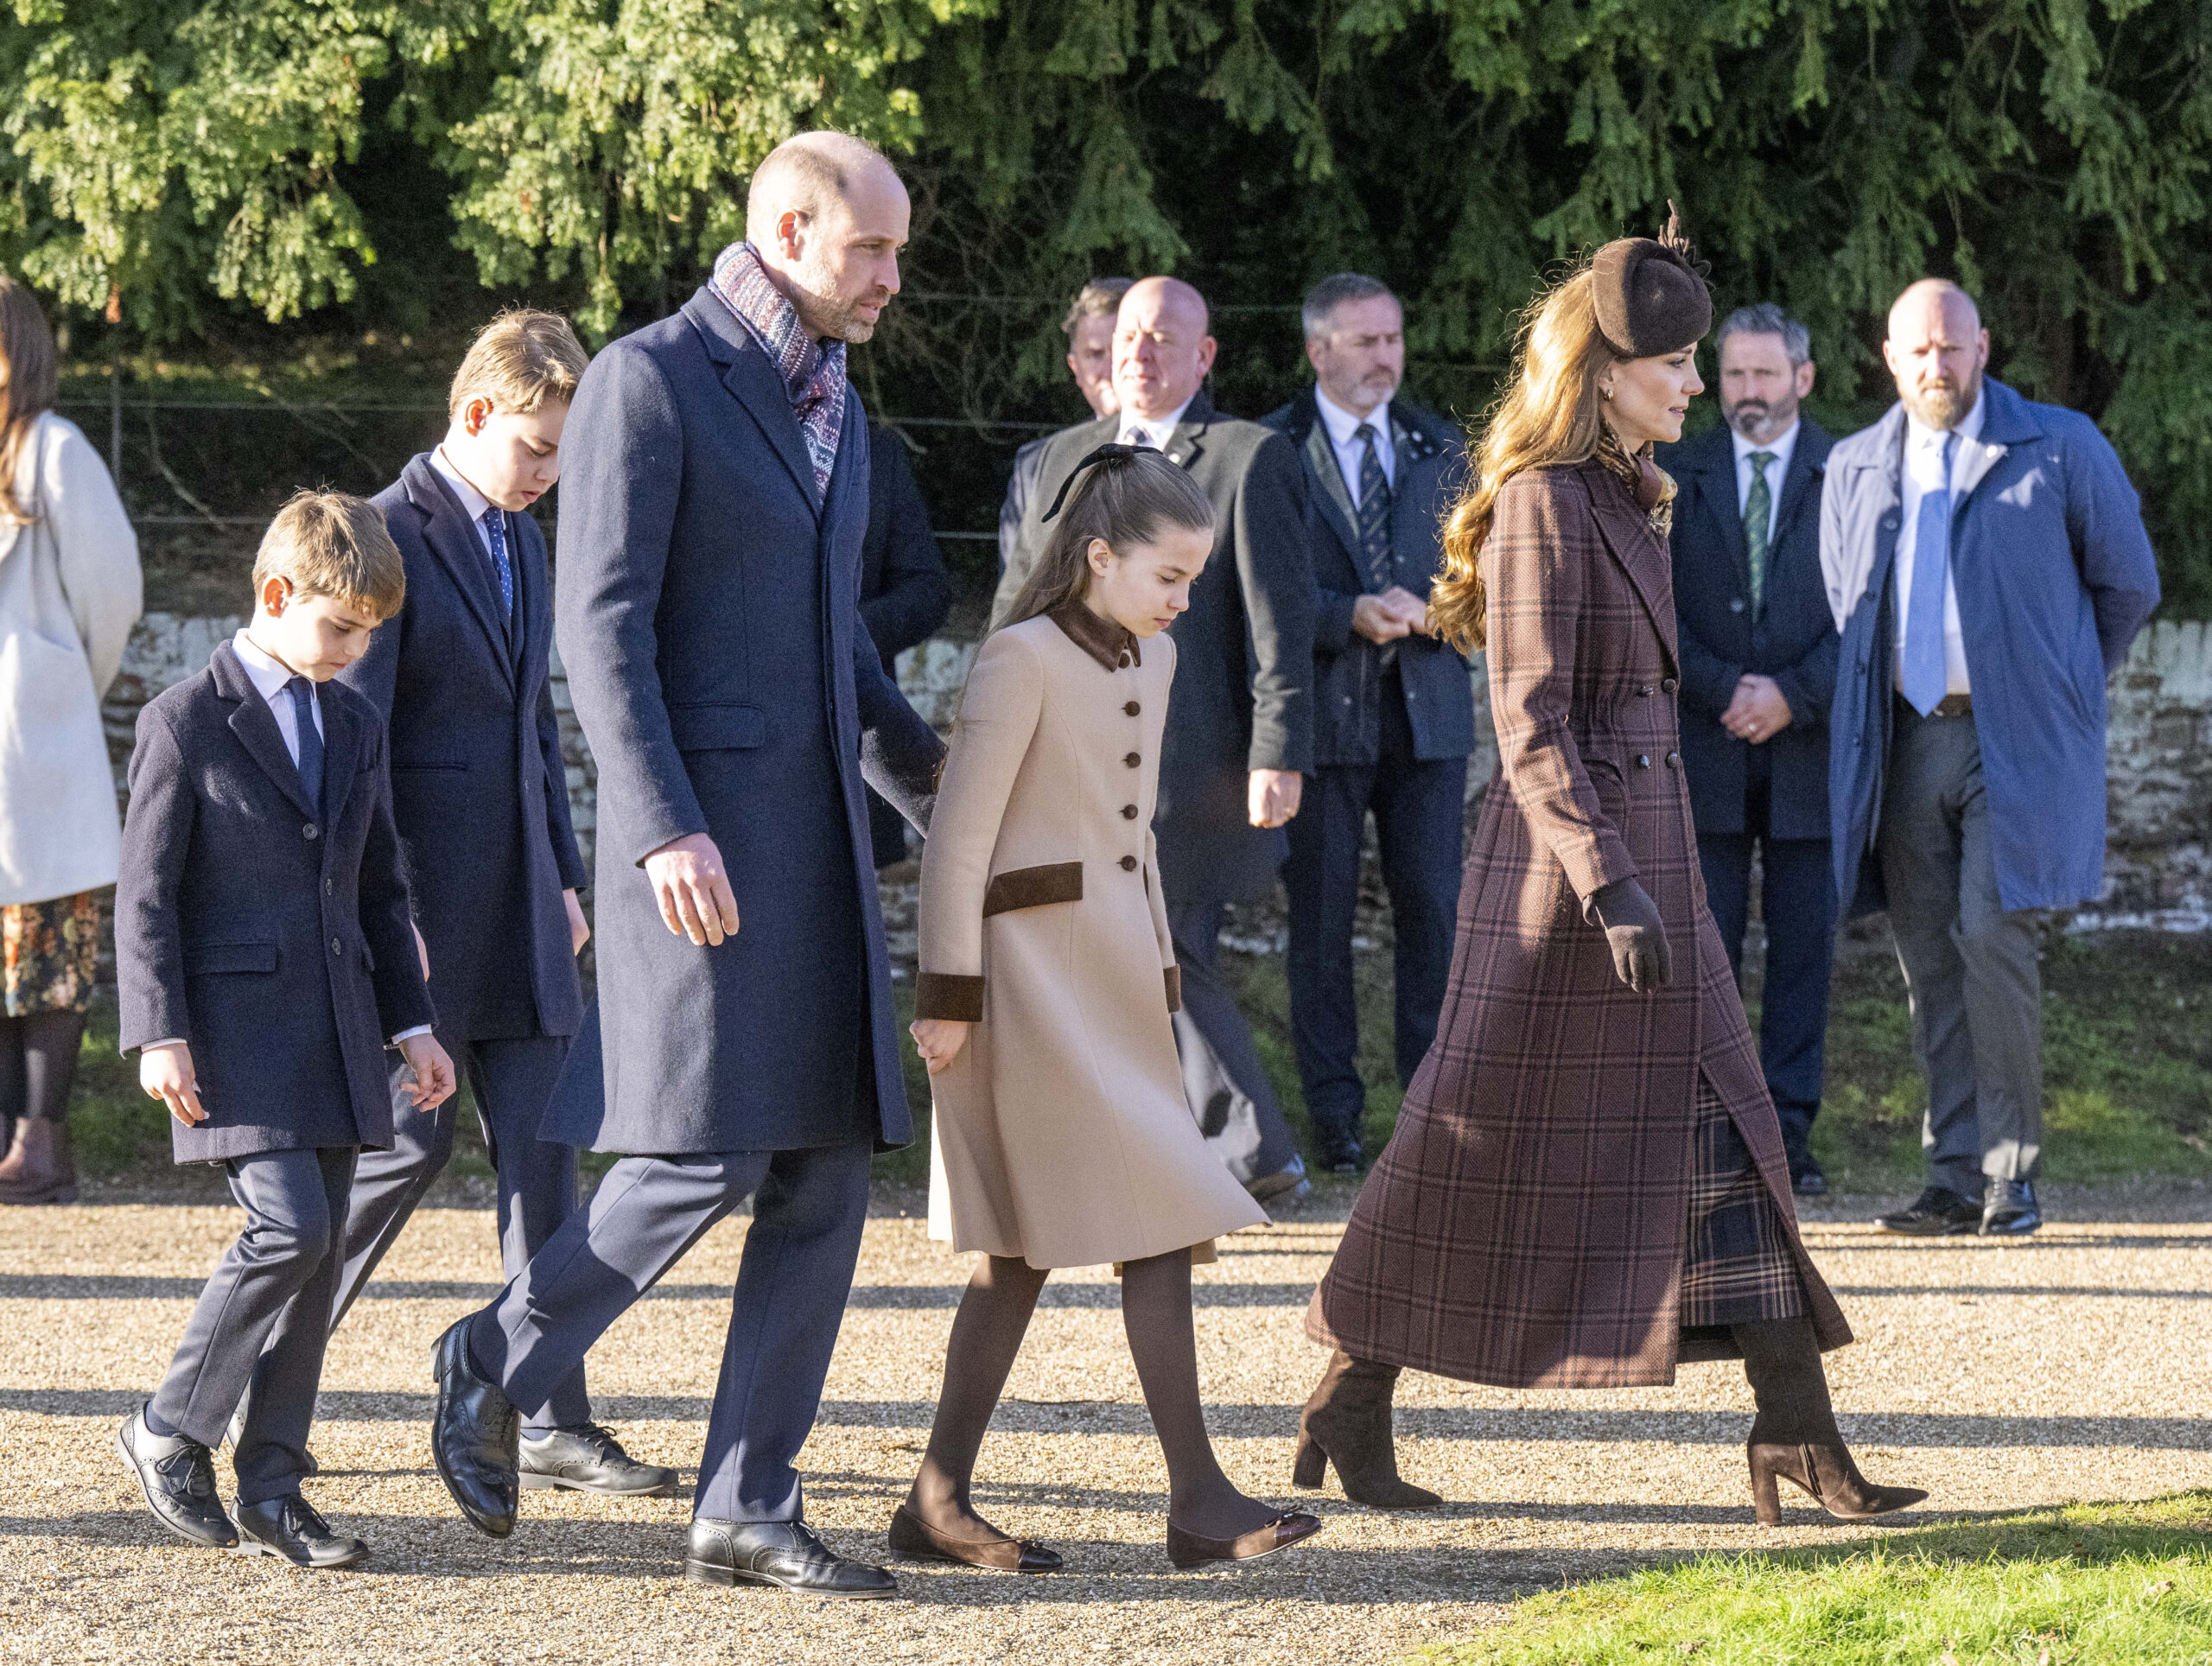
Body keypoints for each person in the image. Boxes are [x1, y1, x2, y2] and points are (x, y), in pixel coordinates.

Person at [1300, 211, 1925, 1532]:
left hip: (1650, 875)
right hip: (1564, 889)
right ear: (1602, 372)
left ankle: (1799, 1435)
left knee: (1739, 1142)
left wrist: (1646, 882)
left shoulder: (1635, 496)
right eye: (1675, 364)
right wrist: (1609, 882)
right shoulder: (1540, 503)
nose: (1698, 383)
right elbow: (1531, 719)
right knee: (1469, 1149)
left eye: (1700, 362)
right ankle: (1352, 1392)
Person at [427, 130, 944, 1599]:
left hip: (820, 848)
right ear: (789, 228)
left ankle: (743, 1503)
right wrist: (656, 821)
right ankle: (496, 1347)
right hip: (698, 850)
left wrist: (931, 783)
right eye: (873, 251)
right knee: (703, 1154)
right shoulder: (652, 380)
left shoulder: (834, 401)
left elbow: (838, 636)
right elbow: (600, 619)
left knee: (827, 1170)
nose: (893, 280)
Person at [898, 445, 1323, 1574]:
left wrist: (1163, 975)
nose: (1185, 600)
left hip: (1123, 986)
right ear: (1097, 556)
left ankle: (937, 1500)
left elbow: (1130, 836)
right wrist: (948, 999)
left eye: (1191, 580)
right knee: (1152, 1224)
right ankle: (1197, 1500)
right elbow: (958, 842)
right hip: (1025, 989)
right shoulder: (1017, 660)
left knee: (1026, 1254)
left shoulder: (1159, 655)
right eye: (1170, 576)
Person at [280, 312, 668, 1497]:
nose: (552, 477)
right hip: (423, 915)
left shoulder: (525, 542)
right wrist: (383, 920)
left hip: (525, 910)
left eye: (565, 456)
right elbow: (362, 749)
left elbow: (531, 731)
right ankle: (258, 1368)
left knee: (548, 1157)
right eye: (539, 451)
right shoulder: (385, 535)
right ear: (476, 415)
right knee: (404, 1144)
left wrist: (564, 872)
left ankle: (543, 1412)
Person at [113, 491, 457, 1568]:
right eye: (342, 625)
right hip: (231, 1038)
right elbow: (147, 896)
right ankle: (168, 1426)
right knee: (292, 1231)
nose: (357, 649)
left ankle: (272, 1484)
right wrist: (157, 1030)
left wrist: (414, 1023)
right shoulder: (184, 719)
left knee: (321, 1258)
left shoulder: (354, 721)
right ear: (277, 593)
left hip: (343, 1031)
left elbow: (379, 887)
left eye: (369, 632)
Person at [1823, 279, 2159, 1238]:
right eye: (1918, 350)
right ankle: (1950, 1172)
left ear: (1983, 348)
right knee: (1926, 956)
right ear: (1889, 357)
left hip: (2012, 738)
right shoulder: (1853, 466)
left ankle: (2010, 1176)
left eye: (1954, 347)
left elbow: (2129, 583)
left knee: (1990, 936)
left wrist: (2060, 684)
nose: (1938, 365)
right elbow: (1847, 609)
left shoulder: (2057, 446)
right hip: (1905, 736)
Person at [997, 277, 1314, 1202]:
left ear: (1204, 355)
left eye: (1164, 337)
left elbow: (1278, 623)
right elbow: (1018, 607)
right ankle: (1210, 1145)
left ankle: (1246, 1143)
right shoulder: (1065, 456)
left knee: (1157, 939)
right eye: (1128, 336)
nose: (1140, 351)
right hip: (1067, 753)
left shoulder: (1249, 460)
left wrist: (1276, 751)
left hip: (1190, 765)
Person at [1264, 274, 1473, 1175]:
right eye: (1363, 342)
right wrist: (1341, 611)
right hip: (1320, 717)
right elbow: (1258, 592)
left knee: (1434, 911)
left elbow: (1487, 574)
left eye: (1391, 339)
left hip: (1426, 717)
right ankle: (1336, 1119)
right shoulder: (1275, 449)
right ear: (1319, 350)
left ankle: (1431, 1114)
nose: (1384, 357)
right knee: (1320, 922)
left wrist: (1442, 607)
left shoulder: (1439, 445)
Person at [1659, 303, 1839, 1197]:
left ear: (1802, 378)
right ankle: (1717, 1142)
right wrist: (1724, 688)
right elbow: (1655, 611)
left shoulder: (1847, 473)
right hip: (1709, 743)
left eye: (1766, 375)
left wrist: (1794, 695)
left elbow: (1869, 613)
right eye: (1733, 375)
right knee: (1709, 954)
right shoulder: (1674, 472)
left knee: (1805, 955)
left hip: (1811, 754)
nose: (1748, 392)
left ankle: (1789, 1139)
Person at [0, 274, 142, 1204]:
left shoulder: (54, 450)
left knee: (47, 951)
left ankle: (42, 1144)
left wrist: (54, 690)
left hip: (32, 751)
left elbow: (112, 594)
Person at [861, 416, 954, 867]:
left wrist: (839, 635)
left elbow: (927, 589)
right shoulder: (715, 428)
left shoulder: (873, 448)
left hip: (853, 746)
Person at [998, 278, 1129, 579]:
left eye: (1121, 349)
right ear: (1075, 368)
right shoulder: (1036, 464)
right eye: (1095, 354)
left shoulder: (1218, 457)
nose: (1111, 368)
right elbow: (1017, 589)